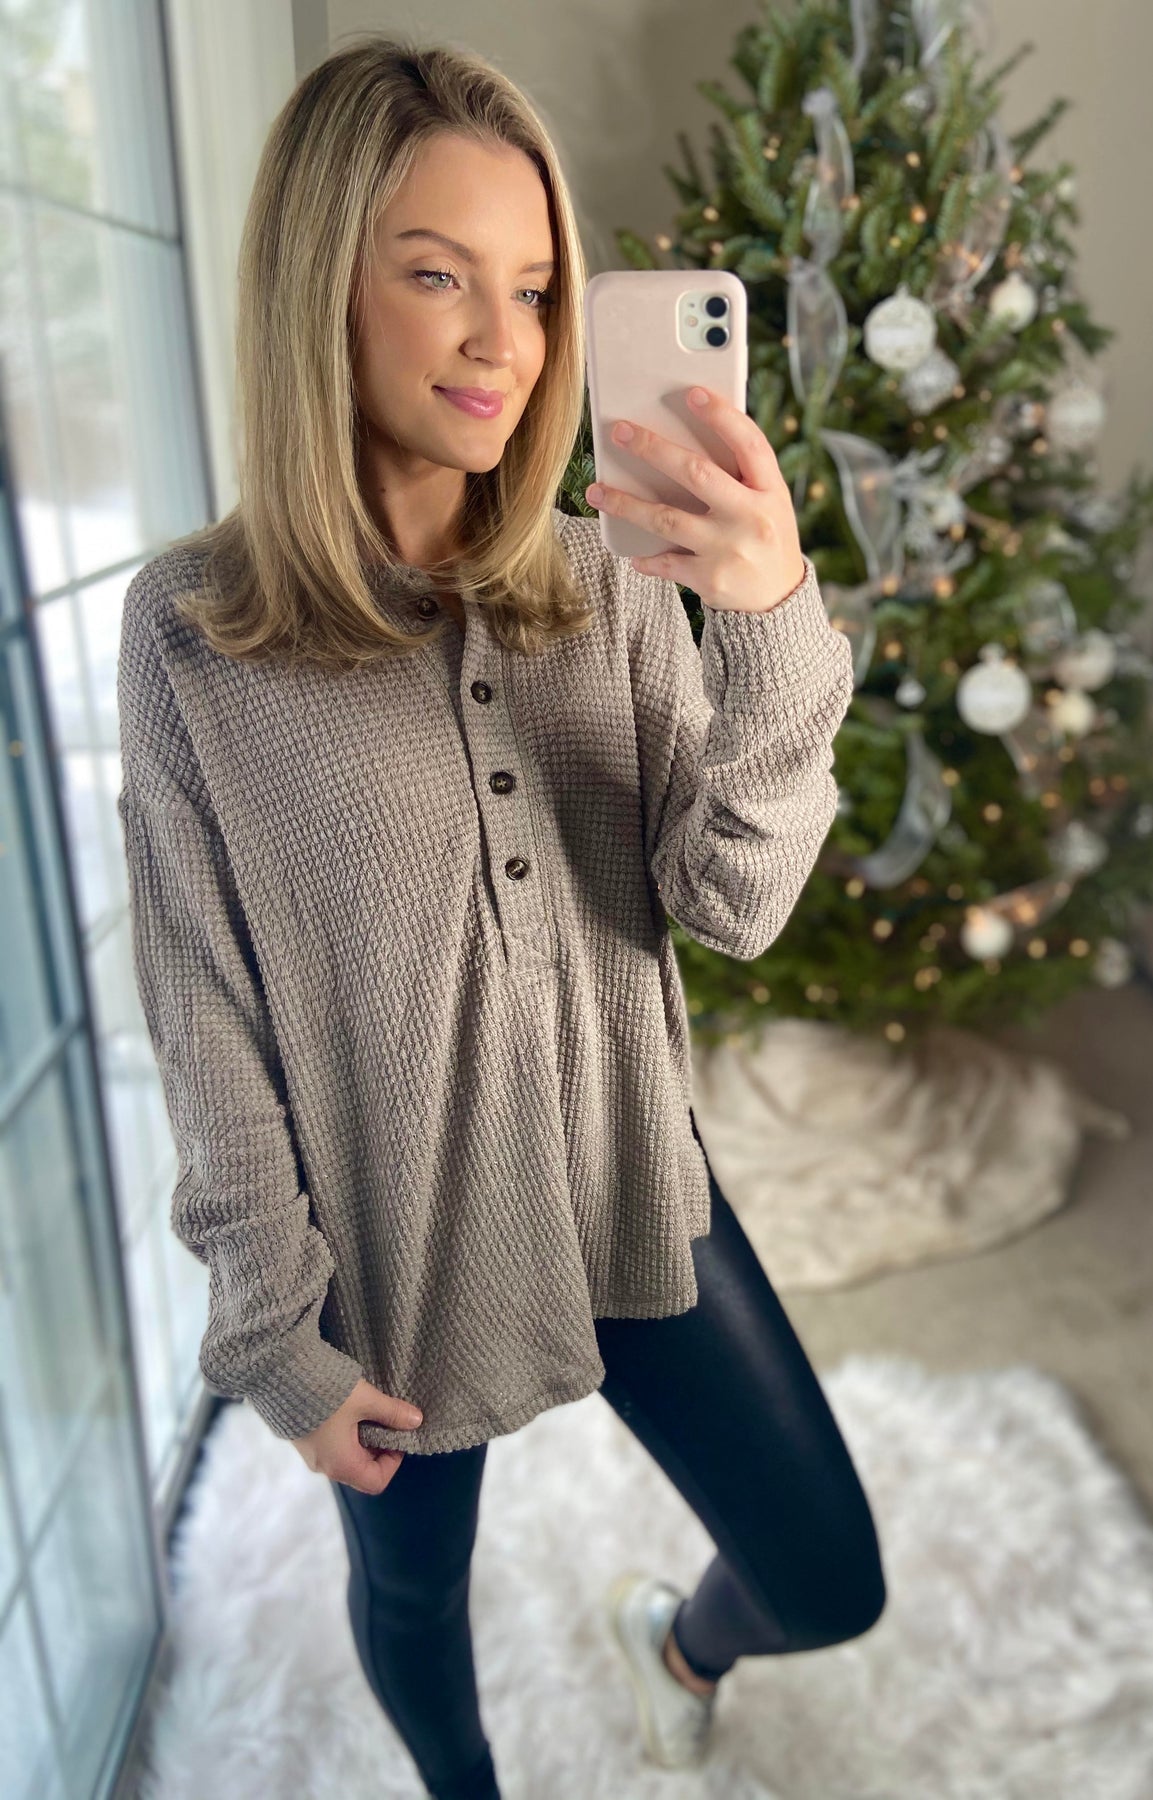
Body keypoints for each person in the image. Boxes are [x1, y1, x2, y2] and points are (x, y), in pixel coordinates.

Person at [117, 34, 886, 1800]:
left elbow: (732, 906)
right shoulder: (193, 633)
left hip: (629, 1178)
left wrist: (768, 613)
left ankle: (672, 1649)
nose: (502, 342)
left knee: (827, 1575)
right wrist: (275, 1333)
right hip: (394, 1251)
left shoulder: (605, 574)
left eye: (534, 288)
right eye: (436, 276)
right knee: (414, 1596)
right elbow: (203, 1009)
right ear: (320, 284)